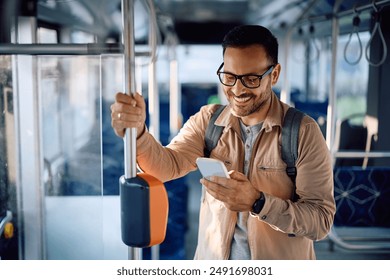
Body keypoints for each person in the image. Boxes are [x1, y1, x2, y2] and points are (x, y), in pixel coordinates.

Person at [110, 25, 335, 260]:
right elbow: (166, 166)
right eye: (229, 77)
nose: (237, 89)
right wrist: (137, 134)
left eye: (251, 79)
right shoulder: (208, 121)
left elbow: (320, 221)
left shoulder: (303, 132)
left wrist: (258, 203)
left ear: (274, 75)